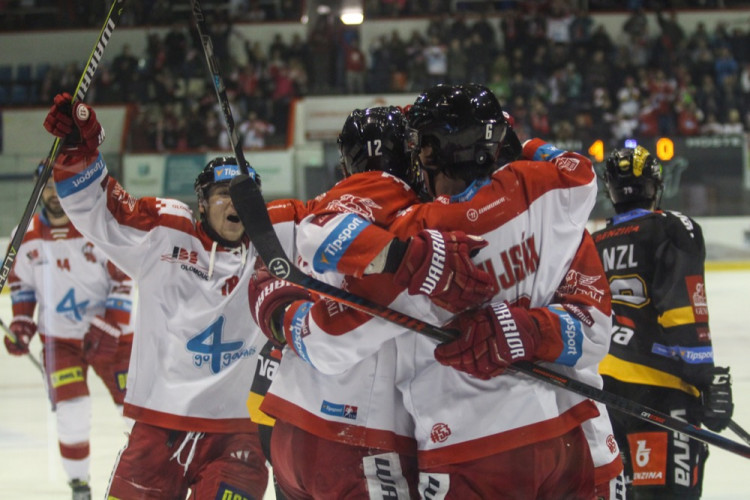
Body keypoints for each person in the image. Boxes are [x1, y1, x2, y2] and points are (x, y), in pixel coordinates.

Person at [253, 84, 621, 498]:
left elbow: (308, 298)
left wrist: (284, 313)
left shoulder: (421, 230)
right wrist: (531, 330)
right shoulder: (556, 200)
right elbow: (580, 172)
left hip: (459, 446)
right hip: (563, 436)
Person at [248, 105, 496, 499]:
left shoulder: (304, 213)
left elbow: (261, 275)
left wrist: (285, 319)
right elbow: (333, 336)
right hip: (362, 438)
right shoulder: (420, 218)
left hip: (289, 430)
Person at [42, 92, 275, 499]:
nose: (235, 204)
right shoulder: (166, 232)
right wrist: (81, 149)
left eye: (244, 195)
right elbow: (99, 209)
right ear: (202, 204)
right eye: (223, 194)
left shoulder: (276, 249)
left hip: (239, 438)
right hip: (157, 430)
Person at [592, 145, 734, 499]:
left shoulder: (590, 244)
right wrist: (705, 378)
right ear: (657, 187)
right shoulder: (673, 228)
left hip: (602, 398)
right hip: (661, 396)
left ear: (609, 190)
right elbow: (683, 310)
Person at [4, 162, 135, 500]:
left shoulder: (98, 226)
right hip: (60, 340)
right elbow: (22, 286)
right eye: (45, 186)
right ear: (37, 190)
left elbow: (125, 279)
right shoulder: (26, 235)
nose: (52, 193)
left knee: (135, 414)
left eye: (57, 184)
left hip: (114, 337)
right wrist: (21, 322)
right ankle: (80, 487)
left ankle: (149, 480)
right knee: (71, 411)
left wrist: (109, 326)